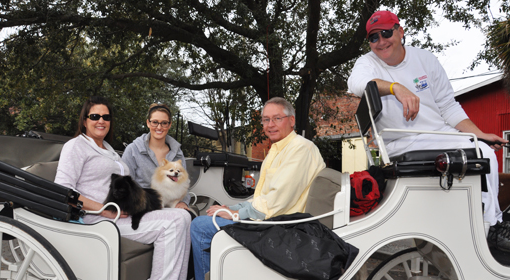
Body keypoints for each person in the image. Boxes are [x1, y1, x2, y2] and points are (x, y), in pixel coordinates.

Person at [347, 11, 510, 249]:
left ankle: (487, 221)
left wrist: (478, 135)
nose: (381, 42)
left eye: (386, 33)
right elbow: (358, 84)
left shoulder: (425, 59)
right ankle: (491, 226)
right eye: (374, 38)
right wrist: (396, 88)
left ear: (399, 31)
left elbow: (448, 107)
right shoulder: (367, 63)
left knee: (483, 149)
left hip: (440, 135)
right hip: (402, 141)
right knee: (482, 154)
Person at [55, 96, 191, 280]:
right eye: (95, 116)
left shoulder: (109, 150)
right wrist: (104, 211)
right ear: (85, 120)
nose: (101, 121)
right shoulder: (76, 146)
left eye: (106, 117)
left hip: (122, 214)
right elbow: (63, 191)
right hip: (96, 219)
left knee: (183, 216)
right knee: (172, 223)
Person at [190, 97, 326, 280]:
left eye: (277, 118)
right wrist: (232, 209)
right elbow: (261, 197)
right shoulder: (278, 150)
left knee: (200, 226)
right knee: (210, 215)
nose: (270, 124)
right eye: (266, 119)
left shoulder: (301, 149)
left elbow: (276, 201)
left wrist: (235, 215)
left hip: (283, 226)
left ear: (291, 121)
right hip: (273, 219)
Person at [122, 104, 191, 211]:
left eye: (164, 123)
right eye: (155, 122)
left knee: (187, 217)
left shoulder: (177, 154)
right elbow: (124, 184)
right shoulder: (133, 150)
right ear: (148, 123)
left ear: (169, 125)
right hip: (141, 206)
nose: (159, 127)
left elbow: (184, 183)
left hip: (170, 207)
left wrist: (183, 202)